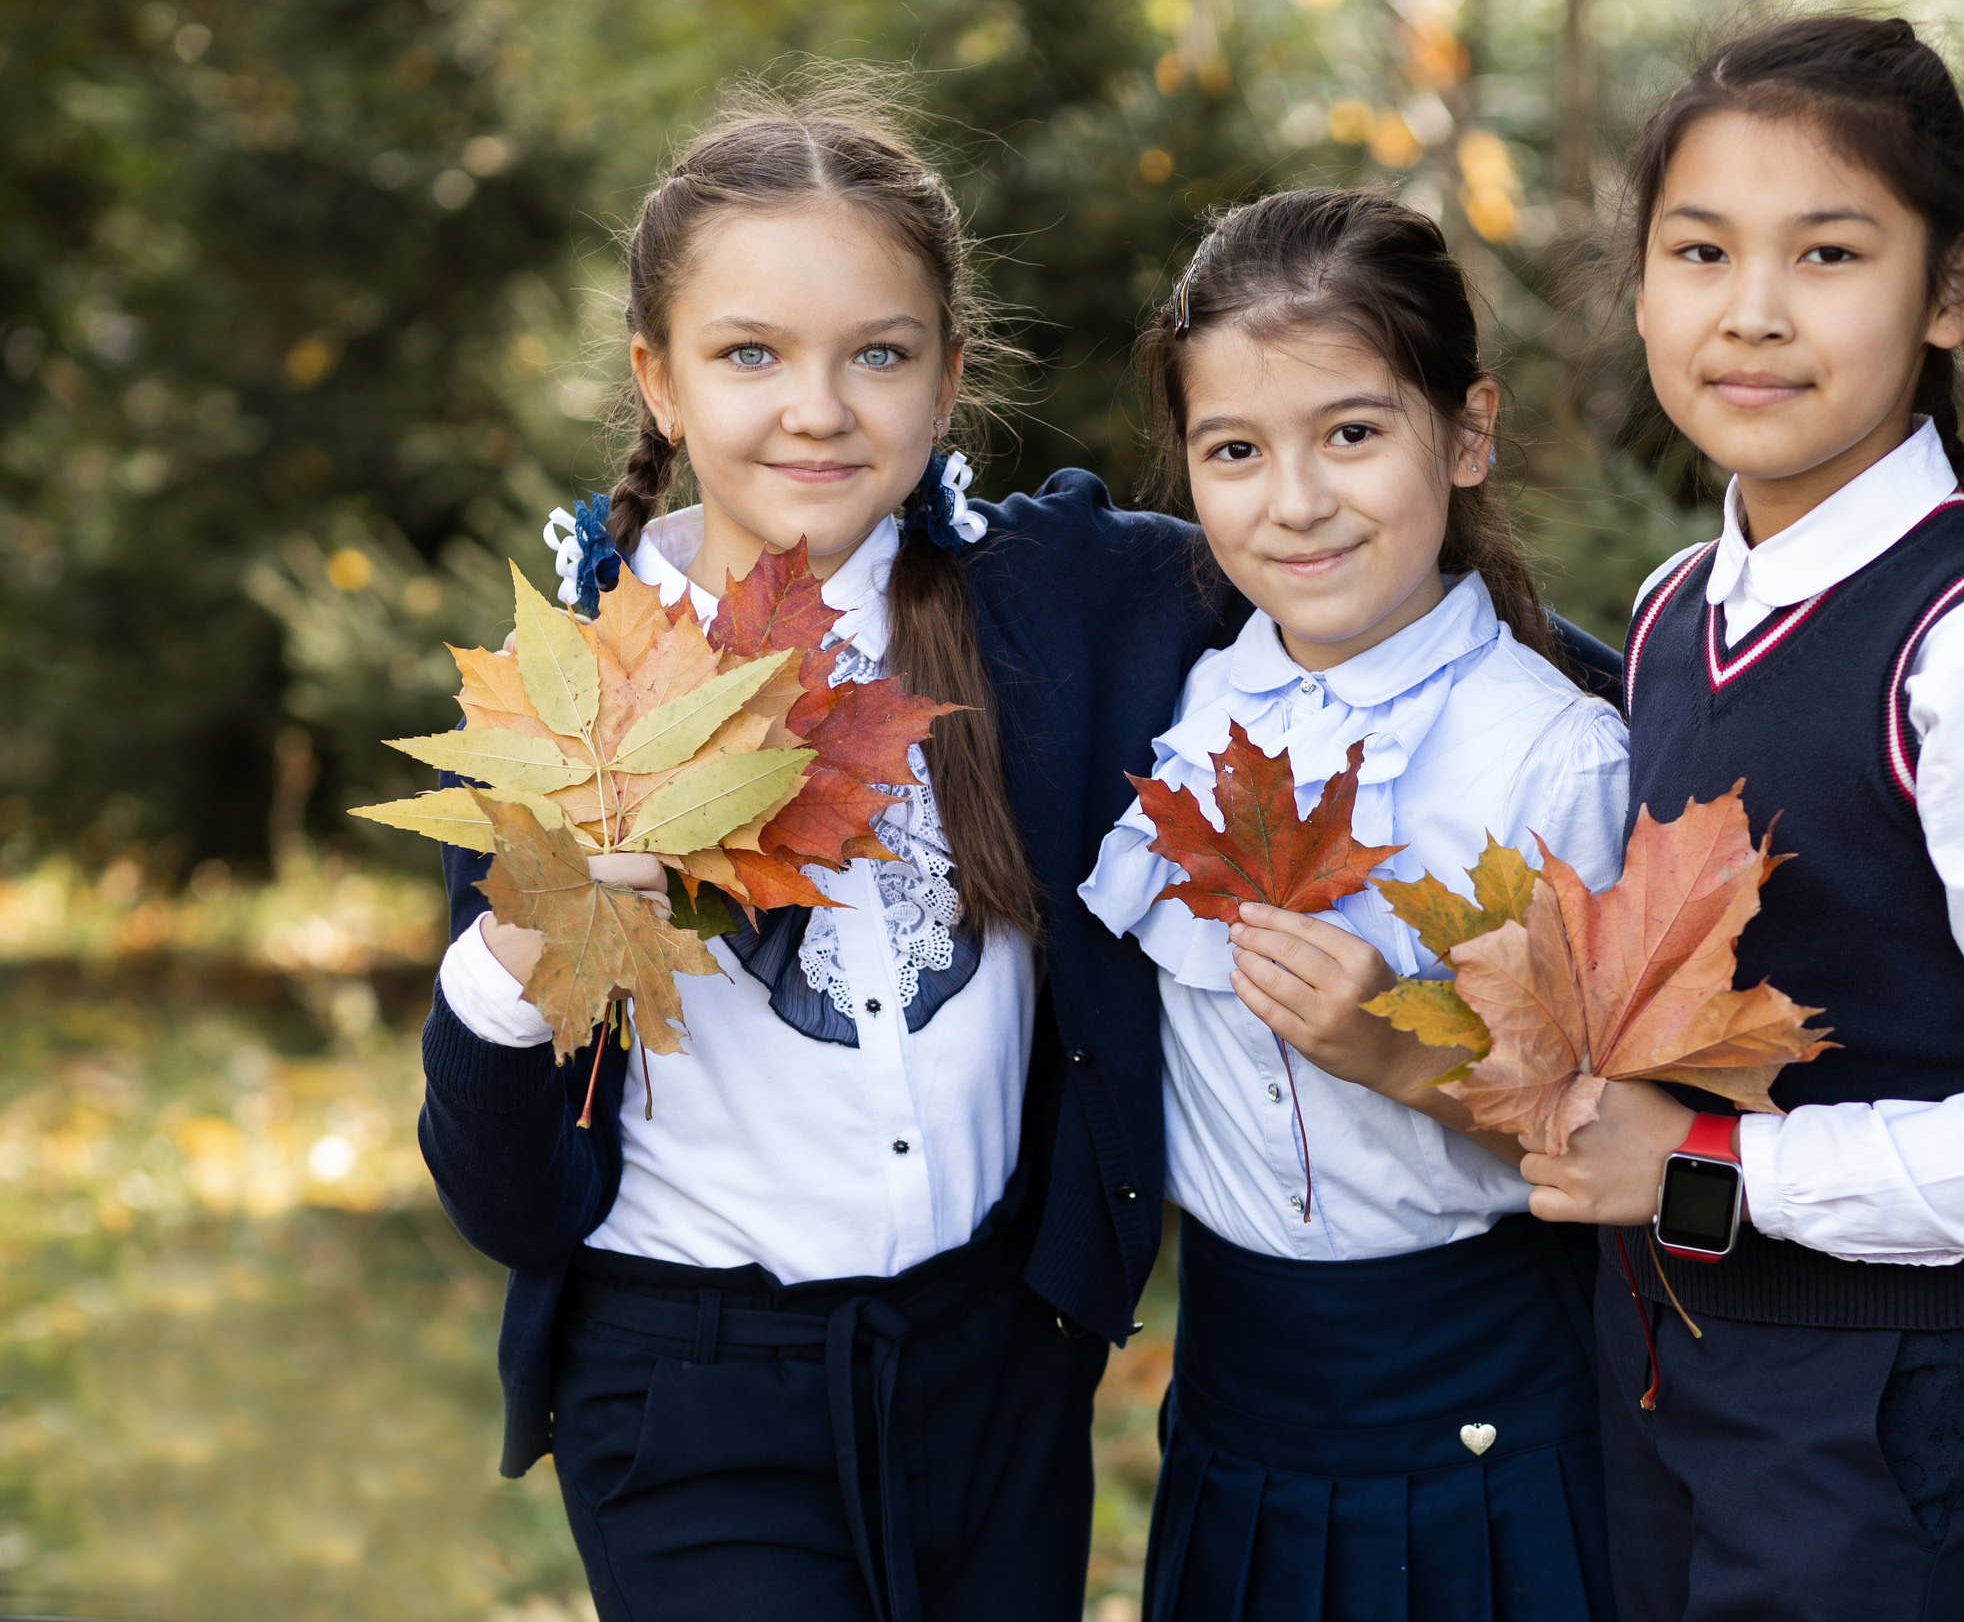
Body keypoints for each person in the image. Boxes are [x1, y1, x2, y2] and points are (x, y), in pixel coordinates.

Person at [415, 79, 1241, 1622]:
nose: (818, 407)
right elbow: (507, 1203)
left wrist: (1640, 683)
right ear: (659, 381)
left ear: (945, 379)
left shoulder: (1051, 607)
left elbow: (1336, 565)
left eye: (878, 353)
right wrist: (525, 939)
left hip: (997, 1371)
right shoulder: (569, 702)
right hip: (692, 1389)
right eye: (750, 355)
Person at [1520, 17, 1964, 1621]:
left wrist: (1699, 1173)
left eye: (1828, 253)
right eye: (1698, 251)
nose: (1750, 315)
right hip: (1663, 1361)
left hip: (1878, 1404)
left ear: (1947, 292)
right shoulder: (1680, 606)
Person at [1078, 188, 1628, 1622]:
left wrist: (1391, 1047)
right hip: (1241, 1396)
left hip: (1482, 1394)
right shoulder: (1183, 713)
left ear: (1467, 430)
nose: (1297, 500)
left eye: (1353, 434)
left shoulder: (1545, 748)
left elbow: (1616, 1117)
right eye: (1236, 452)